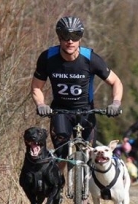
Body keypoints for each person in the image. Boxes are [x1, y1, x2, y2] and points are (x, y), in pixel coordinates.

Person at [30, 16, 123, 170]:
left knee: (90, 156)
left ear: (80, 37)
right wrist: (41, 104)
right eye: (65, 36)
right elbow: (36, 87)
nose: (70, 41)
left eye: (75, 36)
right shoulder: (48, 58)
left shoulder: (90, 59)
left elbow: (116, 82)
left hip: (86, 111)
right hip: (60, 111)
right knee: (61, 154)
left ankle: (88, 187)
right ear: (59, 37)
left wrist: (116, 103)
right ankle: (57, 192)